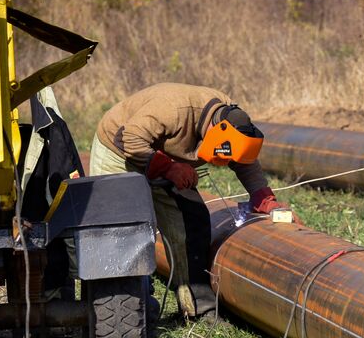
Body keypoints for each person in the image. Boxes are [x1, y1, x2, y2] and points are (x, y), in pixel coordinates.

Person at [90, 83, 287, 317]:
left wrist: (262, 197)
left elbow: (243, 160)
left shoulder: (230, 120)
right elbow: (129, 138)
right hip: (119, 149)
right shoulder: (172, 109)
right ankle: (129, 311)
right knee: (125, 231)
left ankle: (198, 307)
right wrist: (169, 168)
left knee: (193, 220)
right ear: (215, 132)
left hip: (164, 157)